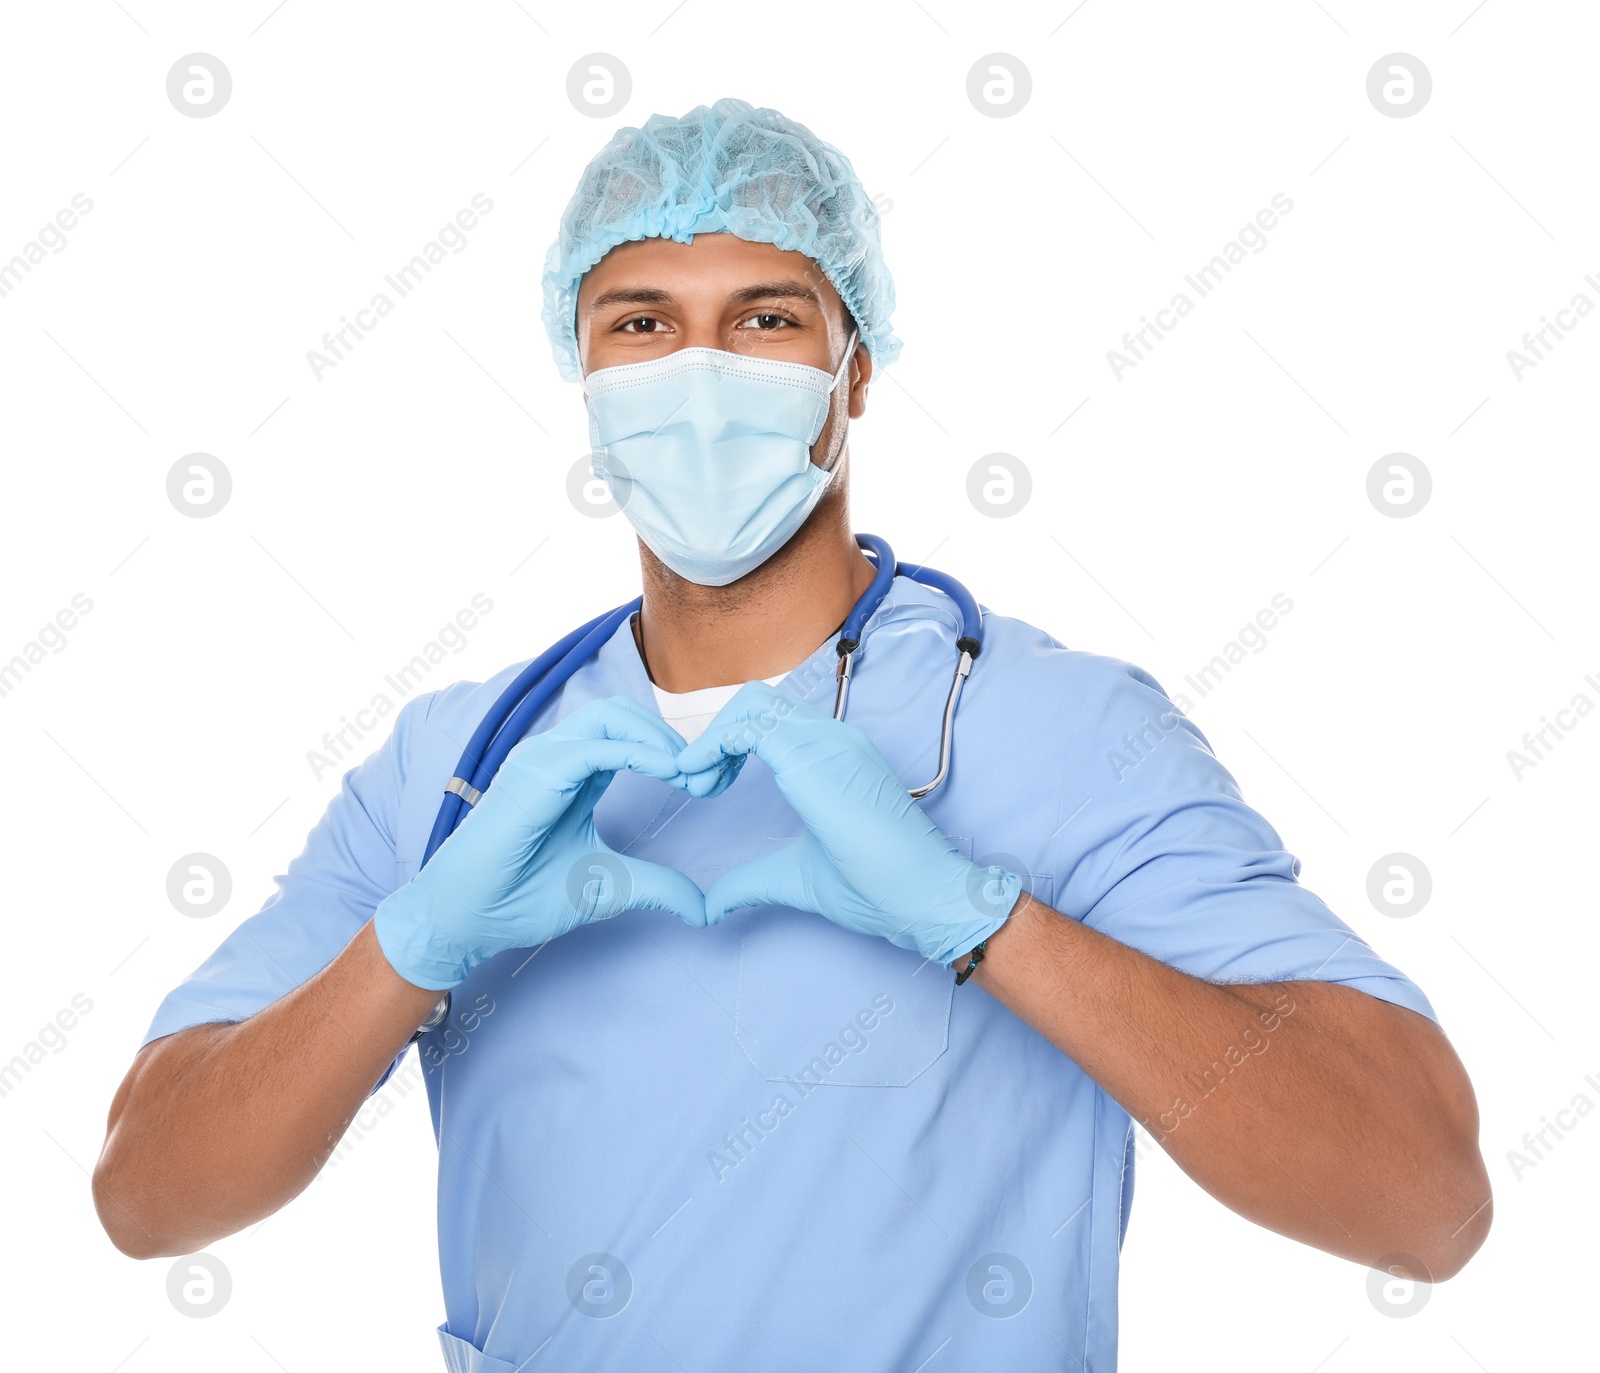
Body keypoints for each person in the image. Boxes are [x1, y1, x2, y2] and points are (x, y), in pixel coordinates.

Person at [93, 98, 1490, 1370]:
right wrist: (406, 949)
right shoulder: (454, 770)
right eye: (640, 321)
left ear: (854, 370)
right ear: (578, 371)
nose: (697, 373)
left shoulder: (1063, 734)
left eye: (765, 318)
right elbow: (147, 1194)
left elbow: (1425, 1203)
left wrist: (986, 920)